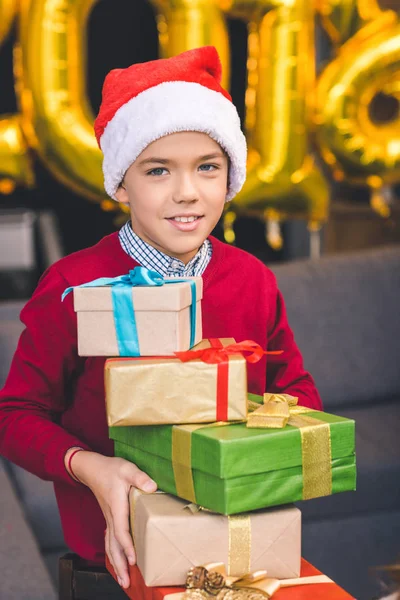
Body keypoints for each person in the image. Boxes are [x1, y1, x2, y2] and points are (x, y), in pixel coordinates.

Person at [0, 46, 322, 590]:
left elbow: (296, 391)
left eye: (207, 168)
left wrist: (269, 444)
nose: (186, 192)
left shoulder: (252, 280)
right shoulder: (75, 285)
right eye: (157, 170)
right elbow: (15, 416)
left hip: (239, 554)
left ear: (231, 177)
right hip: (114, 568)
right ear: (121, 185)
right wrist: (90, 466)